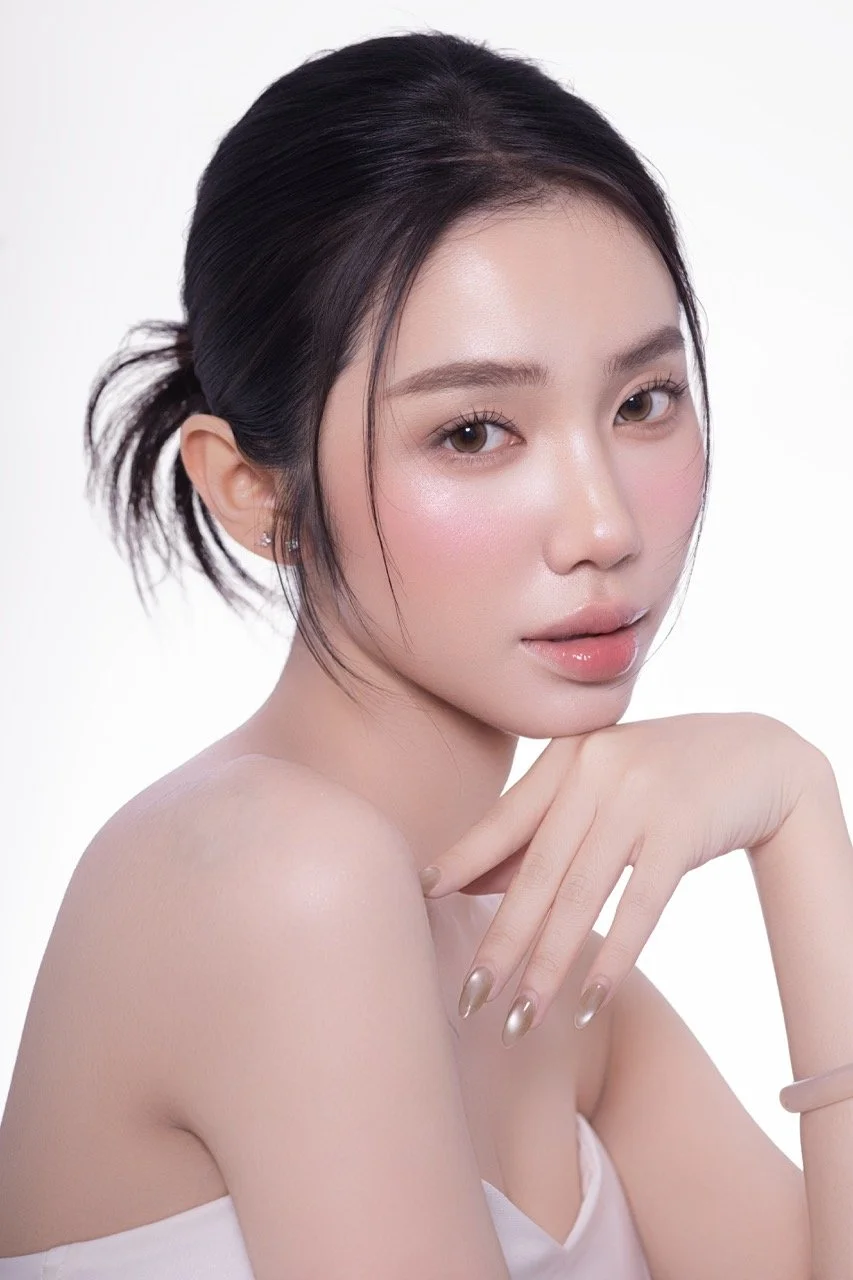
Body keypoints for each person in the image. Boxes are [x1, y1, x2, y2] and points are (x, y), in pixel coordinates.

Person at [0, 27, 843, 1280]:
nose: (603, 525)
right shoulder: (276, 878)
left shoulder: (540, 970)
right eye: (473, 432)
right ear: (252, 489)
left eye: (642, 401)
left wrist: (797, 809)